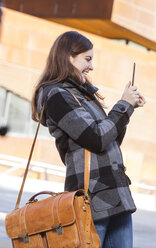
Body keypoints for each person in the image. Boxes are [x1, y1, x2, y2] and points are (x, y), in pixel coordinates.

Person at [30, 31, 145, 248]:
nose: (91, 67)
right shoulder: (56, 95)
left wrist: (129, 108)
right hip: (90, 198)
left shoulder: (82, 94)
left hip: (115, 194)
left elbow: (110, 140)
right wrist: (124, 105)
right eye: (87, 59)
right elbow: (96, 139)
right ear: (68, 57)